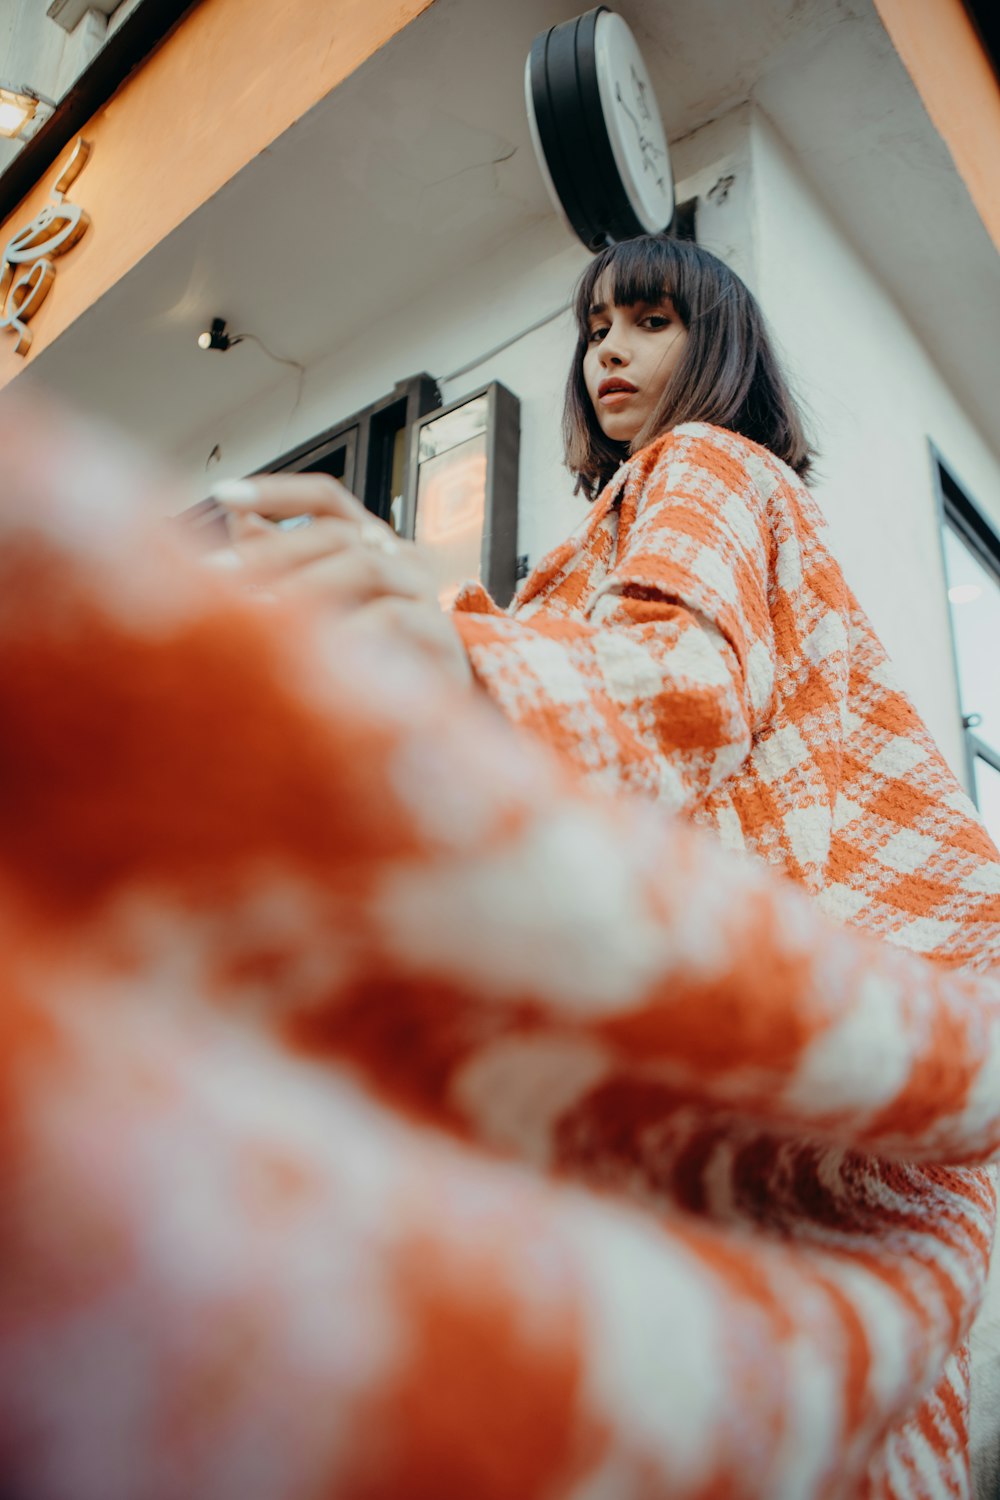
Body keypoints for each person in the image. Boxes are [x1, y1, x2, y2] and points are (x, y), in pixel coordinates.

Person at [204, 235, 1000, 1495]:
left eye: (649, 321)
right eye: (594, 328)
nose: (610, 351)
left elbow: (685, 683)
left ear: (718, 347)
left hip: (757, 1044)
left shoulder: (703, 465)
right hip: (826, 1076)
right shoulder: (651, 519)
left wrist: (457, 644)